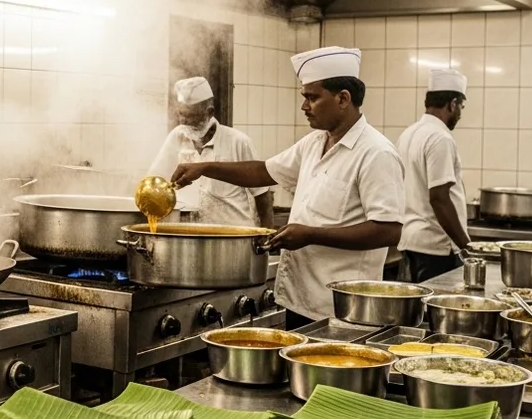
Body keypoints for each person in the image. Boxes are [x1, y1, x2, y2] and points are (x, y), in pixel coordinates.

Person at [171, 47, 405, 325]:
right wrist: (204, 168)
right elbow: (263, 171)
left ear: (343, 99)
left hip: (343, 311)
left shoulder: (375, 153)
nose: (304, 106)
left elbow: (388, 230)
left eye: (312, 98)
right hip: (298, 299)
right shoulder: (315, 142)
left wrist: (311, 235)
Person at [147, 76, 274, 228]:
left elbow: (263, 195)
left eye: (190, 115)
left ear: (209, 112)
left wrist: (267, 234)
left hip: (233, 236)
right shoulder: (177, 137)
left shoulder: (238, 141)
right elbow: (156, 178)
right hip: (190, 236)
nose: (183, 121)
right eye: (181, 114)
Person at [397, 69, 471, 282]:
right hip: (435, 248)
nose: (460, 114)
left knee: (418, 312)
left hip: (411, 241)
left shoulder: (409, 133)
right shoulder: (440, 138)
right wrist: (466, 246)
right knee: (436, 311)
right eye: (461, 107)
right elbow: (439, 197)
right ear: (452, 104)